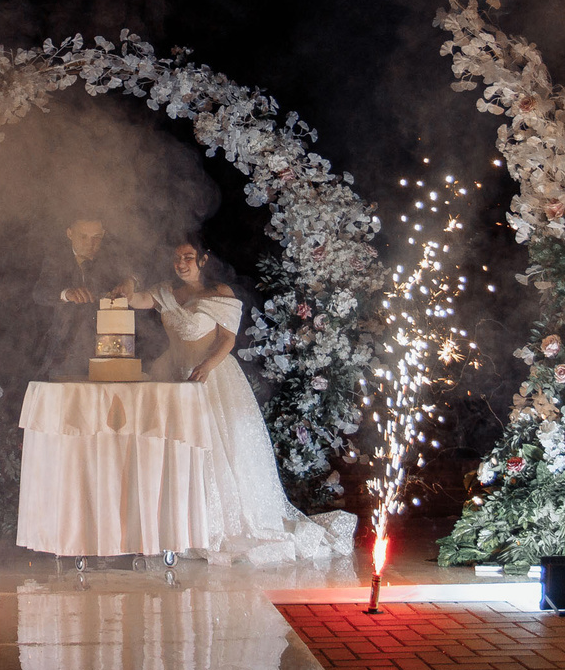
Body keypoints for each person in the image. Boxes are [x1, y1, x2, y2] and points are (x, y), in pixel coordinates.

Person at [126, 240, 350, 564]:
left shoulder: (219, 293)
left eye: (188, 257)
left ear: (203, 260)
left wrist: (205, 366)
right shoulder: (165, 293)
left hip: (211, 375)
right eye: (176, 258)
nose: (182, 263)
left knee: (216, 447)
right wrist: (128, 281)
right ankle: (178, 523)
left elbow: (227, 338)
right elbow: (134, 299)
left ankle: (219, 523)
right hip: (172, 375)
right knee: (176, 448)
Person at [28, 214, 137, 380]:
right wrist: (66, 293)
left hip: (108, 355)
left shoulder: (112, 257)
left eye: (97, 238)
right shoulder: (55, 259)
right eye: (83, 237)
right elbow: (40, 292)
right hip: (64, 354)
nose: (90, 244)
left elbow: (141, 271)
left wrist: (131, 282)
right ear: (69, 233)